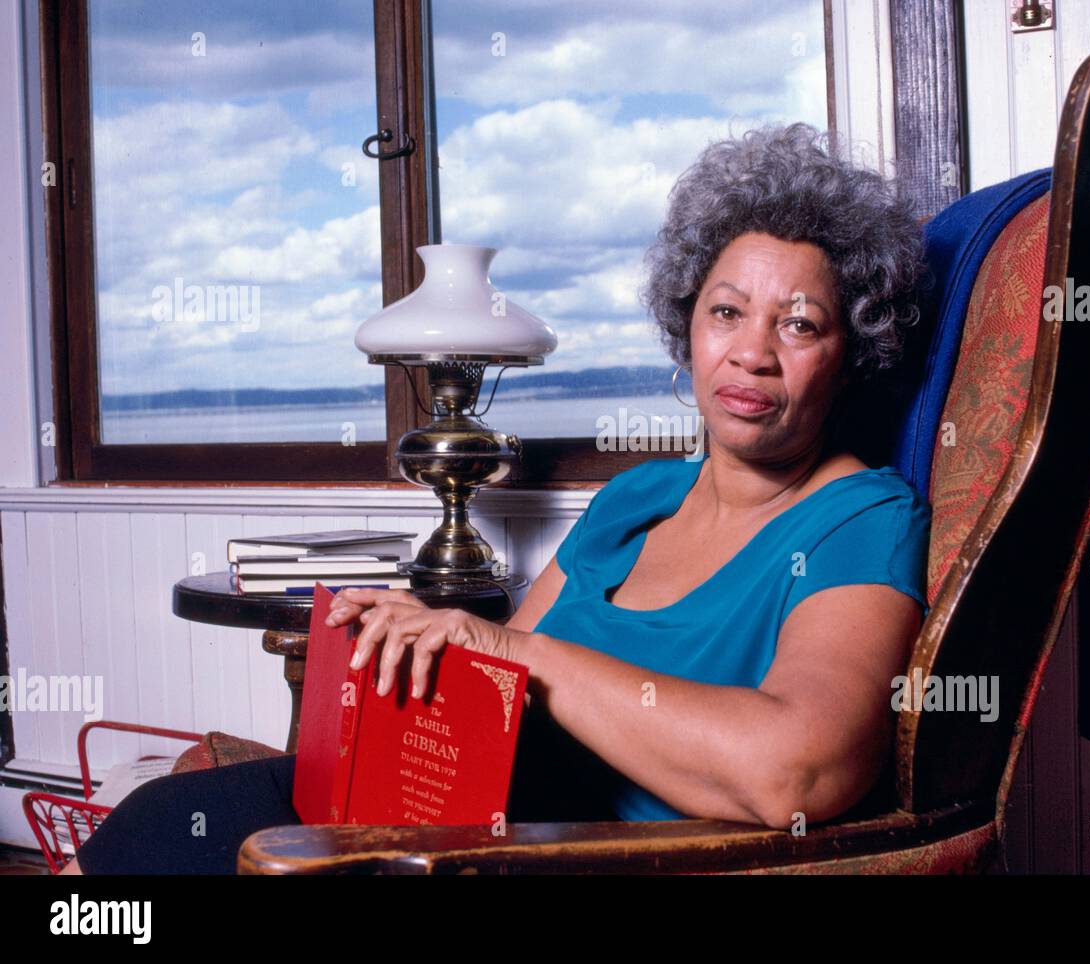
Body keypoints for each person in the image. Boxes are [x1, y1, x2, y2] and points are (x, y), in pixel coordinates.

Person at [64, 121, 930, 874]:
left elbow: (797, 773)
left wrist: (524, 655)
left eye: (801, 323)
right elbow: (493, 685)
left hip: (572, 857)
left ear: (854, 352)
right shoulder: (636, 501)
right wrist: (406, 637)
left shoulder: (862, 520)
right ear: (687, 326)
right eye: (727, 312)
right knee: (154, 827)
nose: (753, 353)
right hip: (467, 814)